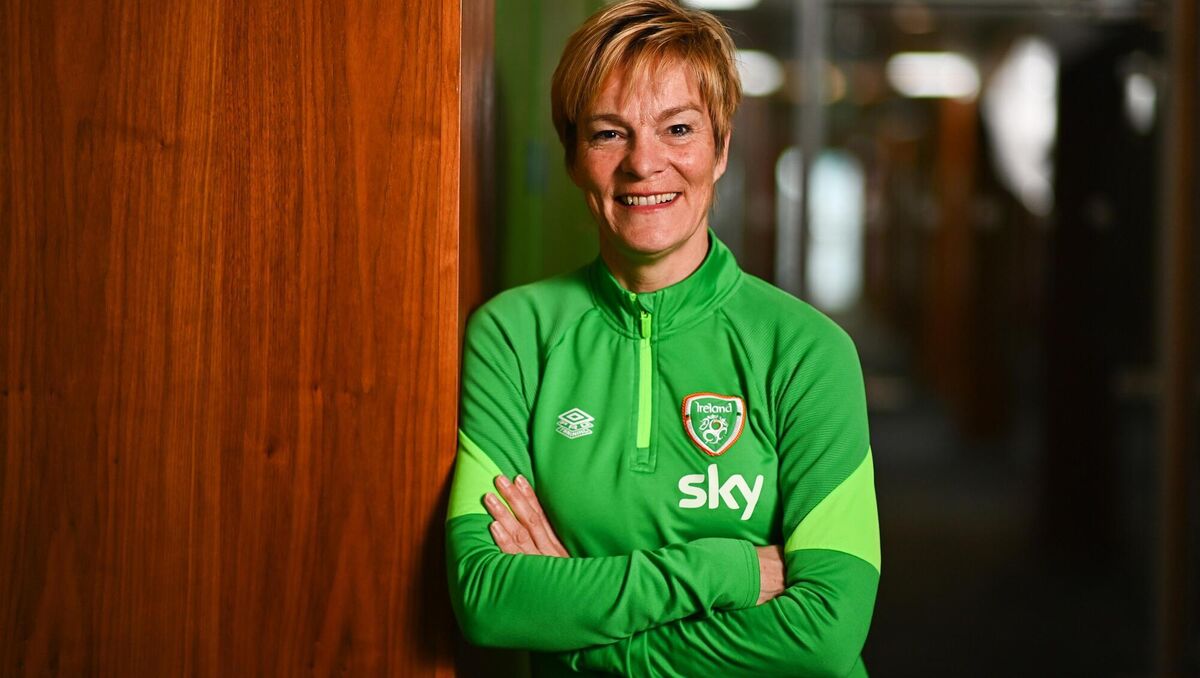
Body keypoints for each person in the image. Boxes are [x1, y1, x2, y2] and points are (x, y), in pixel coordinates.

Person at [446, 1, 879, 675]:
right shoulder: (513, 335)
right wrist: (726, 568)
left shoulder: (808, 351)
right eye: (608, 134)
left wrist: (583, 638)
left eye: (678, 128)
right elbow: (490, 599)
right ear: (572, 158)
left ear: (721, 148)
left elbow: (825, 632)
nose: (644, 164)